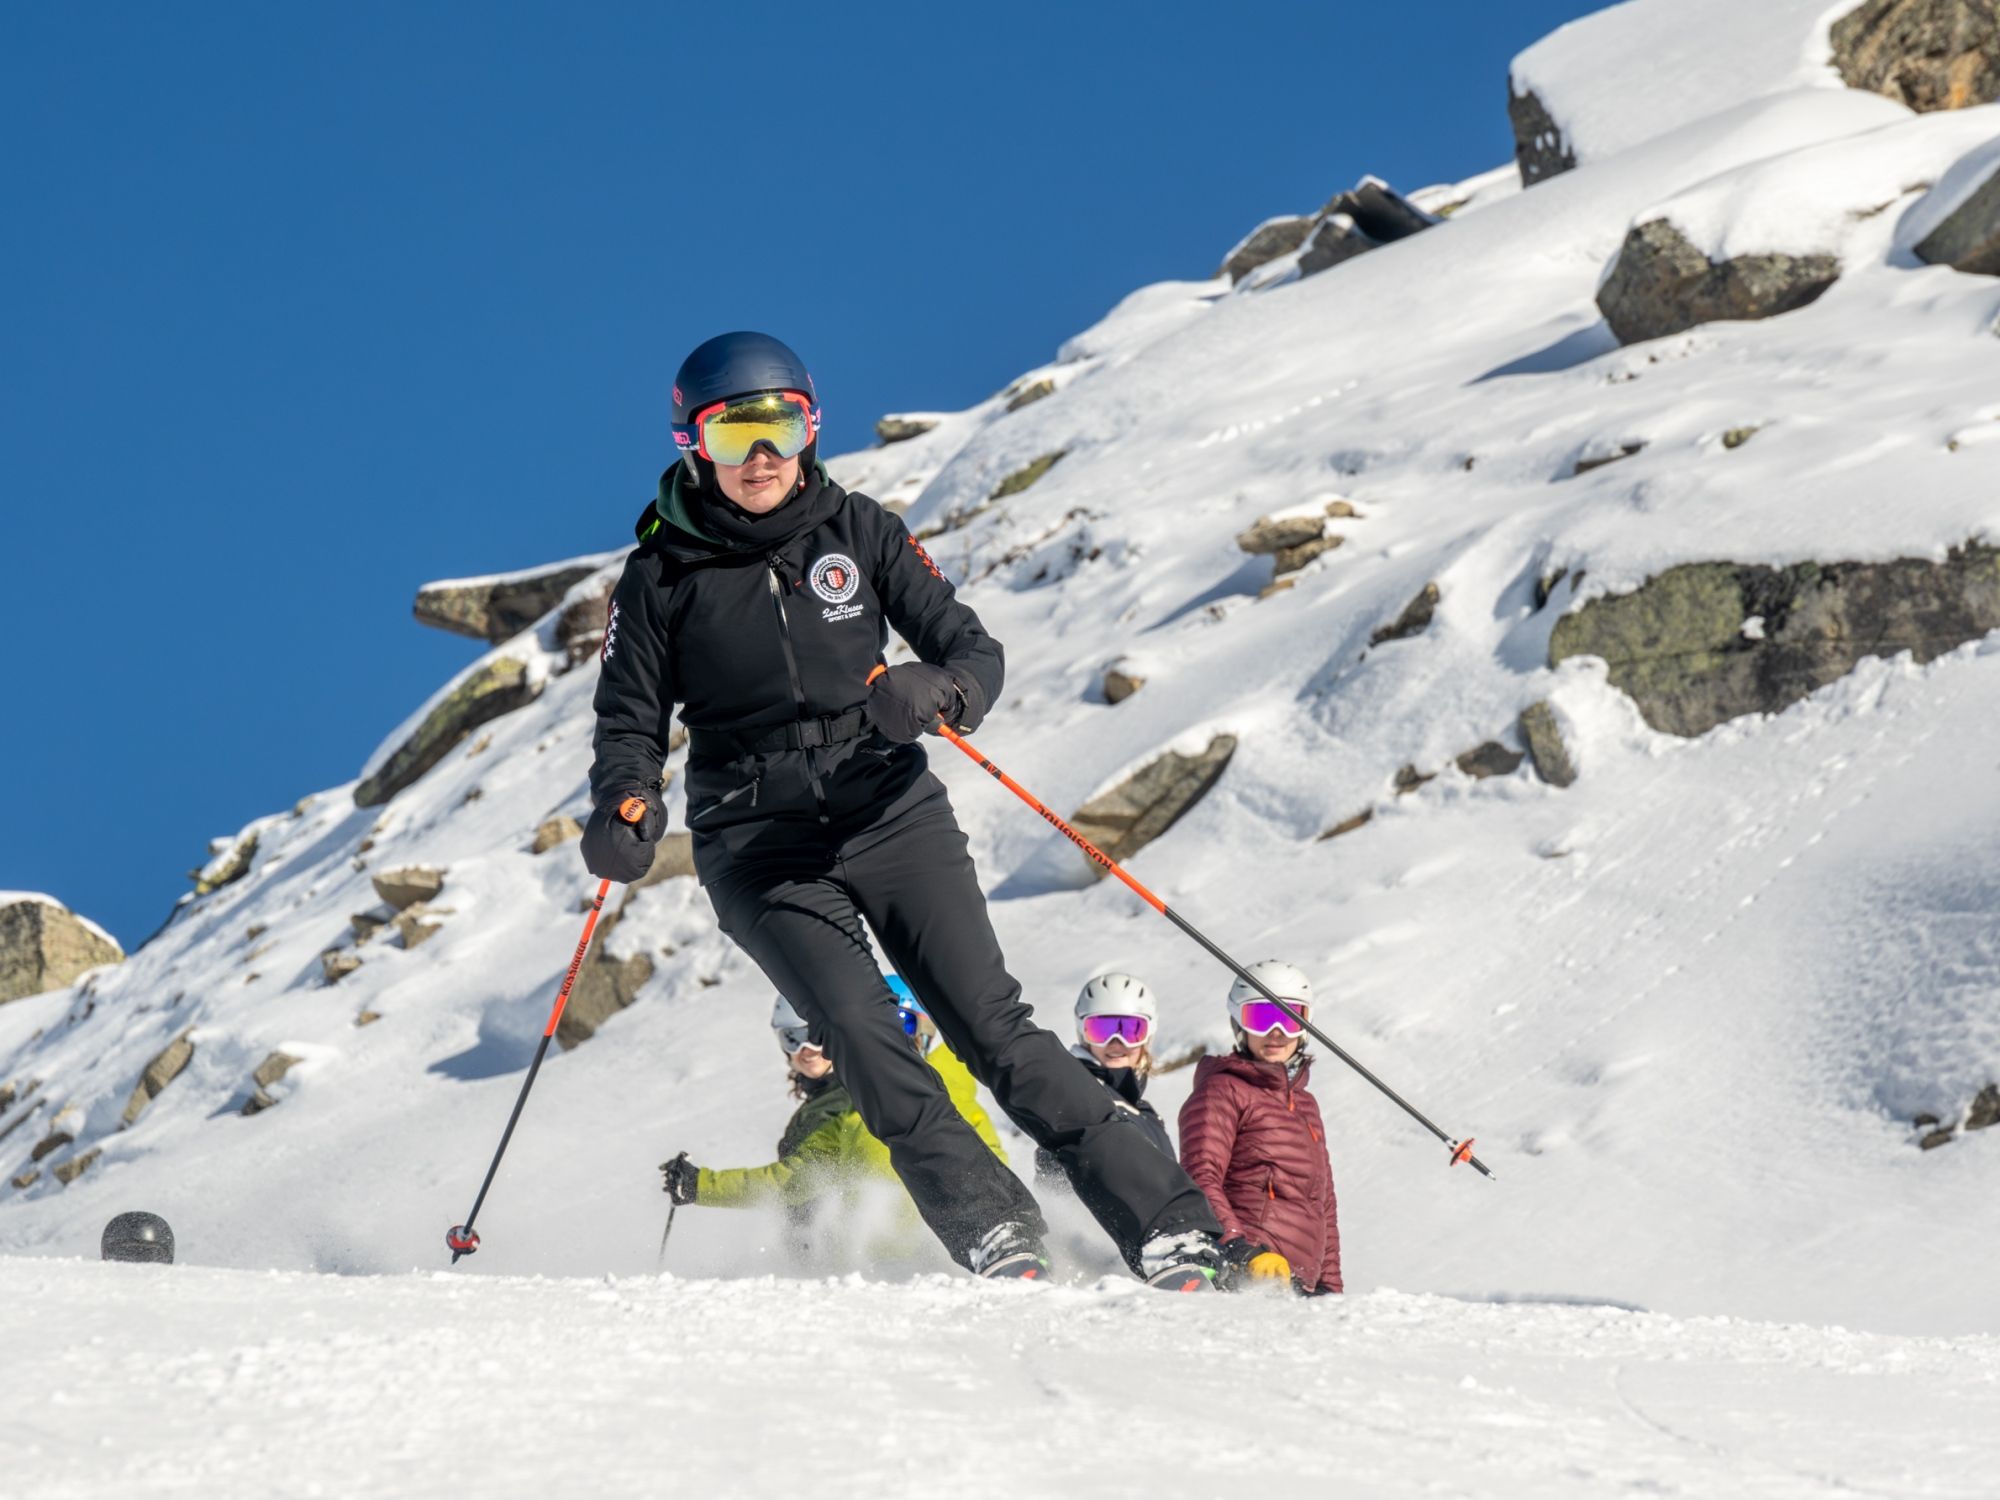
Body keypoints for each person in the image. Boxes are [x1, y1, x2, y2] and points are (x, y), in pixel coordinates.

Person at [584, 331, 1224, 1287]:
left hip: (889, 809)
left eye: (781, 427)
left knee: (992, 1028)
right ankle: (993, 1227)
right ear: (692, 442)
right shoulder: (660, 578)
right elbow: (630, 722)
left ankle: (1171, 1227)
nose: (760, 457)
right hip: (760, 847)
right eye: (732, 435)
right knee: (862, 1036)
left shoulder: (861, 531)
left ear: (810, 428)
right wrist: (626, 803)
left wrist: (935, 691)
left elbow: (974, 654)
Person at [661, 984, 1005, 1265]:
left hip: (889, 1263)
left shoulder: (863, 1105)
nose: (807, 1049)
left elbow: (796, 1180)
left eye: (904, 1026)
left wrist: (702, 1186)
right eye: (792, 1039)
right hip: (895, 1258)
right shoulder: (862, 1100)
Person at [1177, 962, 1342, 1296]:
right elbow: (1200, 1175)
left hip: (1299, 1284)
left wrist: (1330, 1287)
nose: (1277, 1032)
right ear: (1239, 1025)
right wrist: (1238, 1248)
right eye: (1262, 1018)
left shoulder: (1306, 1104)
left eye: (1290, 1017)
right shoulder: (1223, 1090)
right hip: (1248, 1270)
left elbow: (1323, 1204)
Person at [1034, 973, 1174, 1188]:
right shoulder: (1078, 1096)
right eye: (1102, 1030)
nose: (1116, 1043)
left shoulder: (1147, 1114)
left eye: (1131, 1030)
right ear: (1083, 1034)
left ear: (1149, 1035)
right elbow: (1055, 1176)